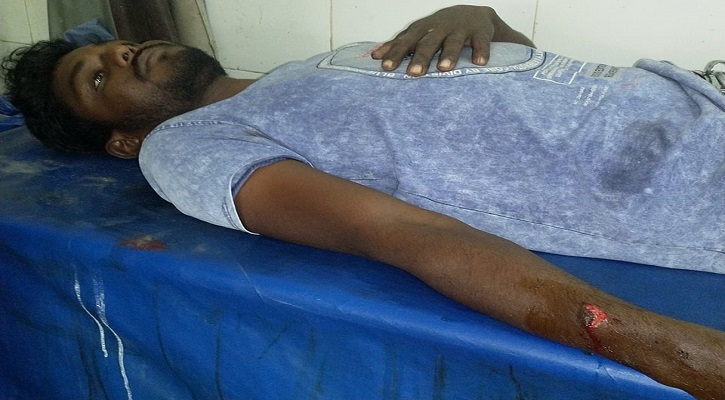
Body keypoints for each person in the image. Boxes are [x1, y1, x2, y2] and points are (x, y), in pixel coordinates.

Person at [2, 5, 724, 399]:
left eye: (121, 48)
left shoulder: (312, 65)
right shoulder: (185, 143)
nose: (122, 54)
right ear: (123, 142)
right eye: (98, 79)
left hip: (696, 100)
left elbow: (514, 96)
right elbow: (401, 231)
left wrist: (484, 20)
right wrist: (671, 350)